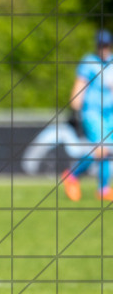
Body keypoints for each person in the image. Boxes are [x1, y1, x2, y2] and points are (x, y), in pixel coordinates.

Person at [61, 29, 113, 202]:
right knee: (101, 149)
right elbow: (79, 87)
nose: (103, 48)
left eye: (106, 45)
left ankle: (102, 188)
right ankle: (73, 176)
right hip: (92, 111)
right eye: (101, 45)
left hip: (109, 113)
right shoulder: (88, 62)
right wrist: (75, 109)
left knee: (106, 151)